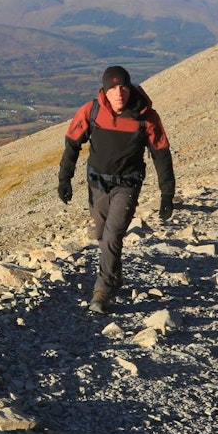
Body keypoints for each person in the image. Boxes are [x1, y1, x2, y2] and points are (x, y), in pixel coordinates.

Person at [58, 65, 175, 314]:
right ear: (105, 90)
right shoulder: (92, 110)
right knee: (101, 234)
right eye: (113, 88)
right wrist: (64, 178)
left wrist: (167, 194)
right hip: (97, 183)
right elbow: (72, 143)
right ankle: (115, 275)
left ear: (130, 87)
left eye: (123, 86)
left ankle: (102, 291)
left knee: (112, 236)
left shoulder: (146, 117)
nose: (118, 92)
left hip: (127, 185)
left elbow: (161, 155)